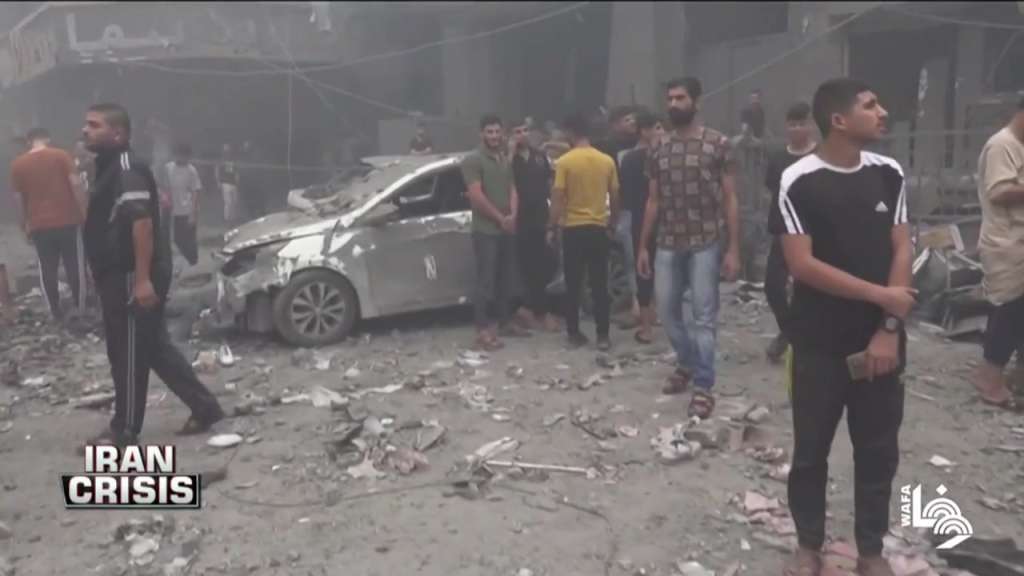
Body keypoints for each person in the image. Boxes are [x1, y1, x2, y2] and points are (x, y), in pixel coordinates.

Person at [775, 78, 915, 576]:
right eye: (870, 105)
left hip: (882, 341)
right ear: (838, 120)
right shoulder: (798, 180)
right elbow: (802, 265)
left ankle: (870, 551)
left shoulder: (888, 173)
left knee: (877, 451)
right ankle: (808, 544)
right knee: (810, 450)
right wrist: (881, 296)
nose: (883, 112)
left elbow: (902, 247)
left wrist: (889, 326)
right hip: (817, 343)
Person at [80, 103, 224, 447]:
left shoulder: (127, 168)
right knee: (153, 347)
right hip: (119, 272)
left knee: (128, 351)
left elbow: (141, 224)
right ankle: (205, 408)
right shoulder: (108, 167)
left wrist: (142, 279)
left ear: (118, 133)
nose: (85, 130)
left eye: (94, 125)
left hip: (131, 273)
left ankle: (124, 430)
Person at [636, 77, 741, 419]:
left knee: (703, 317)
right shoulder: (659, 148)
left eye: (680, 98)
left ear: (696, 102)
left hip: (705, 242)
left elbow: (730, 198)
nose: (673, 104)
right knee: (667, 313)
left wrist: (733, 249)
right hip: (668, 242)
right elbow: (653, 200)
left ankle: (703, 385)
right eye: (670, 99)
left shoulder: (718, 144)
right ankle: (686, 362)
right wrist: (643, 247)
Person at [547, 113, 619, 351]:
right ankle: (603, 335)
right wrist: (613, 223)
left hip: (573, 229)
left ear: (570, 132)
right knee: (600, 284)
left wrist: (551, 226)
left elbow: (558, 198)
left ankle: (573, 332)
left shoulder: (565, 162)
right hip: (598, 228)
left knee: (573, 283)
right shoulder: (606, 161)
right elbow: (615, 196)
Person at [971, 95, 1024, 410]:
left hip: (1019, 240)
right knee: (1008, 312)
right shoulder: (1002, 145)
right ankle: (989, 379)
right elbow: (999, 191)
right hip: (1007, 245)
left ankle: (1017, 377)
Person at [462, 114, 528, 351]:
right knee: (486, 282)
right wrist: (501, 218)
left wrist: (513, 215)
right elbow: (476, 196)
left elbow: (512, 189)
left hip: (506, 228)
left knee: (505, 279)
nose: (494, 136)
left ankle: (505, 323)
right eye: (489, 132)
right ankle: (482, 331)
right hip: (486, 230)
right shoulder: (472, 160)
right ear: (481, 133)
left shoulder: (503, 158)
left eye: (497, 132)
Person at [10, 128, 87, 319]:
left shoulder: (18, 164)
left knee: (47, 267)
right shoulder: (61, 155)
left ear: (29, 141)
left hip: (39, 224)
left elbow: (18, 199)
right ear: (48, 139)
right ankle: (80, 307)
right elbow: (76, 184)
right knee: (74, 264)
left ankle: (54, 310)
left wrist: (24, 224)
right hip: (68, 220)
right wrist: (84, 212)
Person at [763, 102, 818, 363]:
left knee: (811, 288)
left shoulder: (821, 157)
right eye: (792, 124)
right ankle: (790, 331)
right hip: (784, 231)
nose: (796, 129)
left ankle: (813, 341)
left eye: (801, 124)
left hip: (816, 232)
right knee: (772, 286)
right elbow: (771, 190)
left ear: (811, 125)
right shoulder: (778, 159)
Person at [510, 118, 559, 332]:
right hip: (521, 219)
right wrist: (510, 152)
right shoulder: (508, 160)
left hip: (542, 215)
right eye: (517, 131)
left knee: (548, 263)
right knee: (530, 267)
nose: (522, 134)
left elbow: (550, 183)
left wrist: (554, 216)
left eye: (525, 130)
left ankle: (528, 308)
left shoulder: (539, 156)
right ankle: (541, 312)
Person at [619, 111, 664, 344]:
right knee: (646, 270)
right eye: (657, 128)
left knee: (652, 271)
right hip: (649, 221)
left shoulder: (631, 158)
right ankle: (648, 321)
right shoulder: (635, 159)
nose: (661, 132)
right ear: (644, 131)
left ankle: (651, 321)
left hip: (652, 221)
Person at [165, 143, 202, 267]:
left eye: (183, 155)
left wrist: (193, 213)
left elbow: (196, 191)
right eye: (178, 154)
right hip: (173, 209)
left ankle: (193, 262)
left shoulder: (191, 170)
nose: (180, 157)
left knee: (189, 239)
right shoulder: (168, 168)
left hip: (187, 209)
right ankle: (188, 260)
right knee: (177, 239)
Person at [216, 143, 241, 223]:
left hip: (233, 183)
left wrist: (237, 181)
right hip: (225, 183)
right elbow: (217, 171)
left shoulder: (233, 160)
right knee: (228, 202)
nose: (227, 152)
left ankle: (233, 218)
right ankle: (227, 219)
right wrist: (218, 181)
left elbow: (236, 171)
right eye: (226, 150)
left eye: (228, 150)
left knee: (234, 201)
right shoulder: (221, 160)